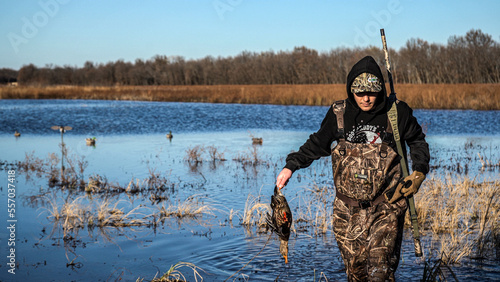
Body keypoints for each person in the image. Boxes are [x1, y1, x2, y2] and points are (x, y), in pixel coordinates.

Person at [275, 55, 430, 281]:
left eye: (372, 93)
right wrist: (291, 166)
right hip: (346, 211)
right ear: (351, 90)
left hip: (386, 206)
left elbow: (417, 140)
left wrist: (419, 171)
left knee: (380, 272)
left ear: (380, 90)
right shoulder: (339, 113)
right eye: (360, 93)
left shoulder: (397, 112)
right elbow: (318, 144)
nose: (366, 99)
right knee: (356, 274)